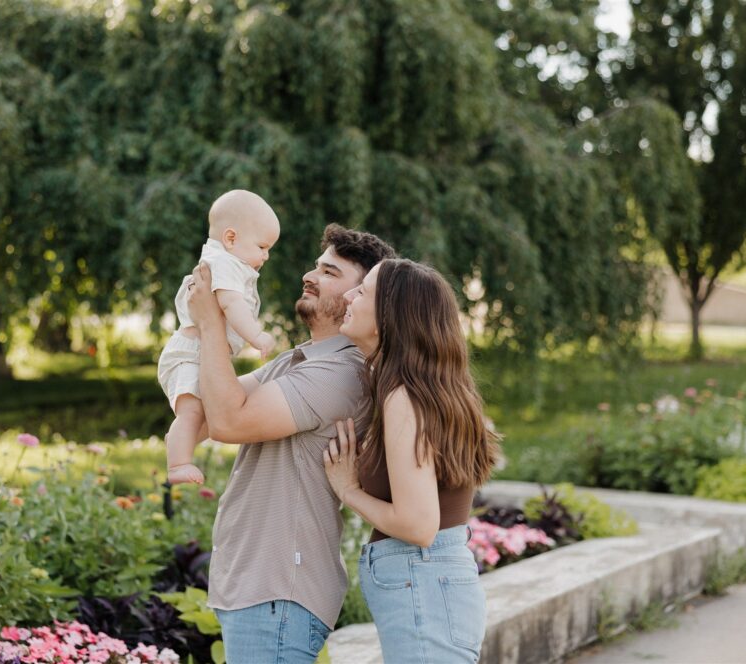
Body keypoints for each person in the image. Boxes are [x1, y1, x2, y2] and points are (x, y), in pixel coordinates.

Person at [185, 224, 397, 664]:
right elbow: (200, 415)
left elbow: (227, 421)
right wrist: (200, 326)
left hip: (279, 593)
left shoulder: (340, 375)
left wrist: (211, 324)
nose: (310, 275)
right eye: (316, 266)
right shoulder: (297, 360)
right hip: (258, 590)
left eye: (330, 273)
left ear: (361, 298)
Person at [323, 258, 499, 664]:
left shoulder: (406, 398)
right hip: (432, 585)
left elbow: (418, 526)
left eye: (362, 291)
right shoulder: (426, 388)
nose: (349, 295)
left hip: (425, 581)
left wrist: (348, 490)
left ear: (389, 317)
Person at [159, 190, 280, 486]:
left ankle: (180, 438)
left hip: (199, 352)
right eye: (262, 246)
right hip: (190, 353)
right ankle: (177, 464)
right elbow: (231, 305)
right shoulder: (224, 264)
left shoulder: (228, 262)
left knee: (201, 413)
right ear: (230, 238)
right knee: (192, 411)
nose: (266, 255)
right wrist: (257, 336)